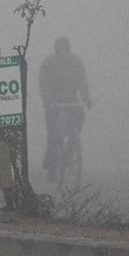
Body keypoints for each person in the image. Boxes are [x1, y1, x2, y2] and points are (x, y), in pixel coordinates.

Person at [38, 37, 92, 182]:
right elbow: (42, 81)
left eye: (65, 48)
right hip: (53, 102)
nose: (62, 51)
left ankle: (72, 145)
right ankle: (51, 165)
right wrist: (46, 97)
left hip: (71, 100)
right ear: (56, 49)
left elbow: (82, 82)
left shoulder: (76, 63)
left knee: (80, 115)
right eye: (60, 48)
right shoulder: (48, 63)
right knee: (52, 134)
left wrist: (86, 98)